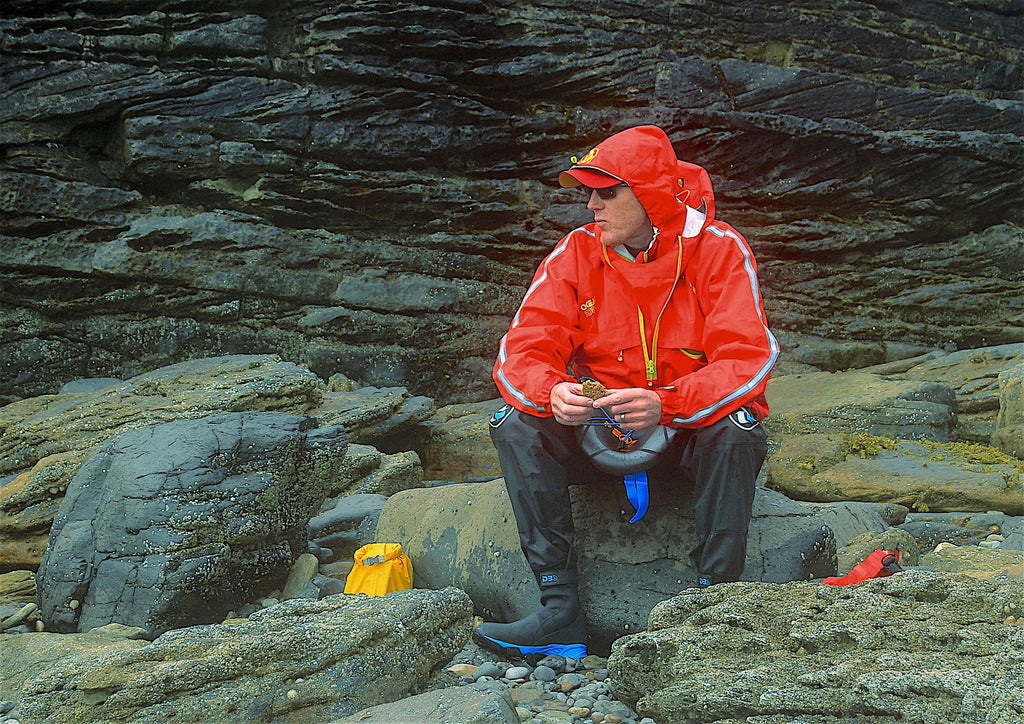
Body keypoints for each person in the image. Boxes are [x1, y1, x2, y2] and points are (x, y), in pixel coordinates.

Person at [473, 125, 779, 660]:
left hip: (683, 434)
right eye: (588, 192)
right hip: (600, 432)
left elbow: (749, 360)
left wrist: (669, 404)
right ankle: (558, 611)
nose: (591, 205)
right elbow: (521, 351)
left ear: (651, 194)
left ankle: (713, 610)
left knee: (738, 427)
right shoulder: (575, 253)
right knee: (514, 422)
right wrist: (554, 394)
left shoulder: (719, 250)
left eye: (607, 192)